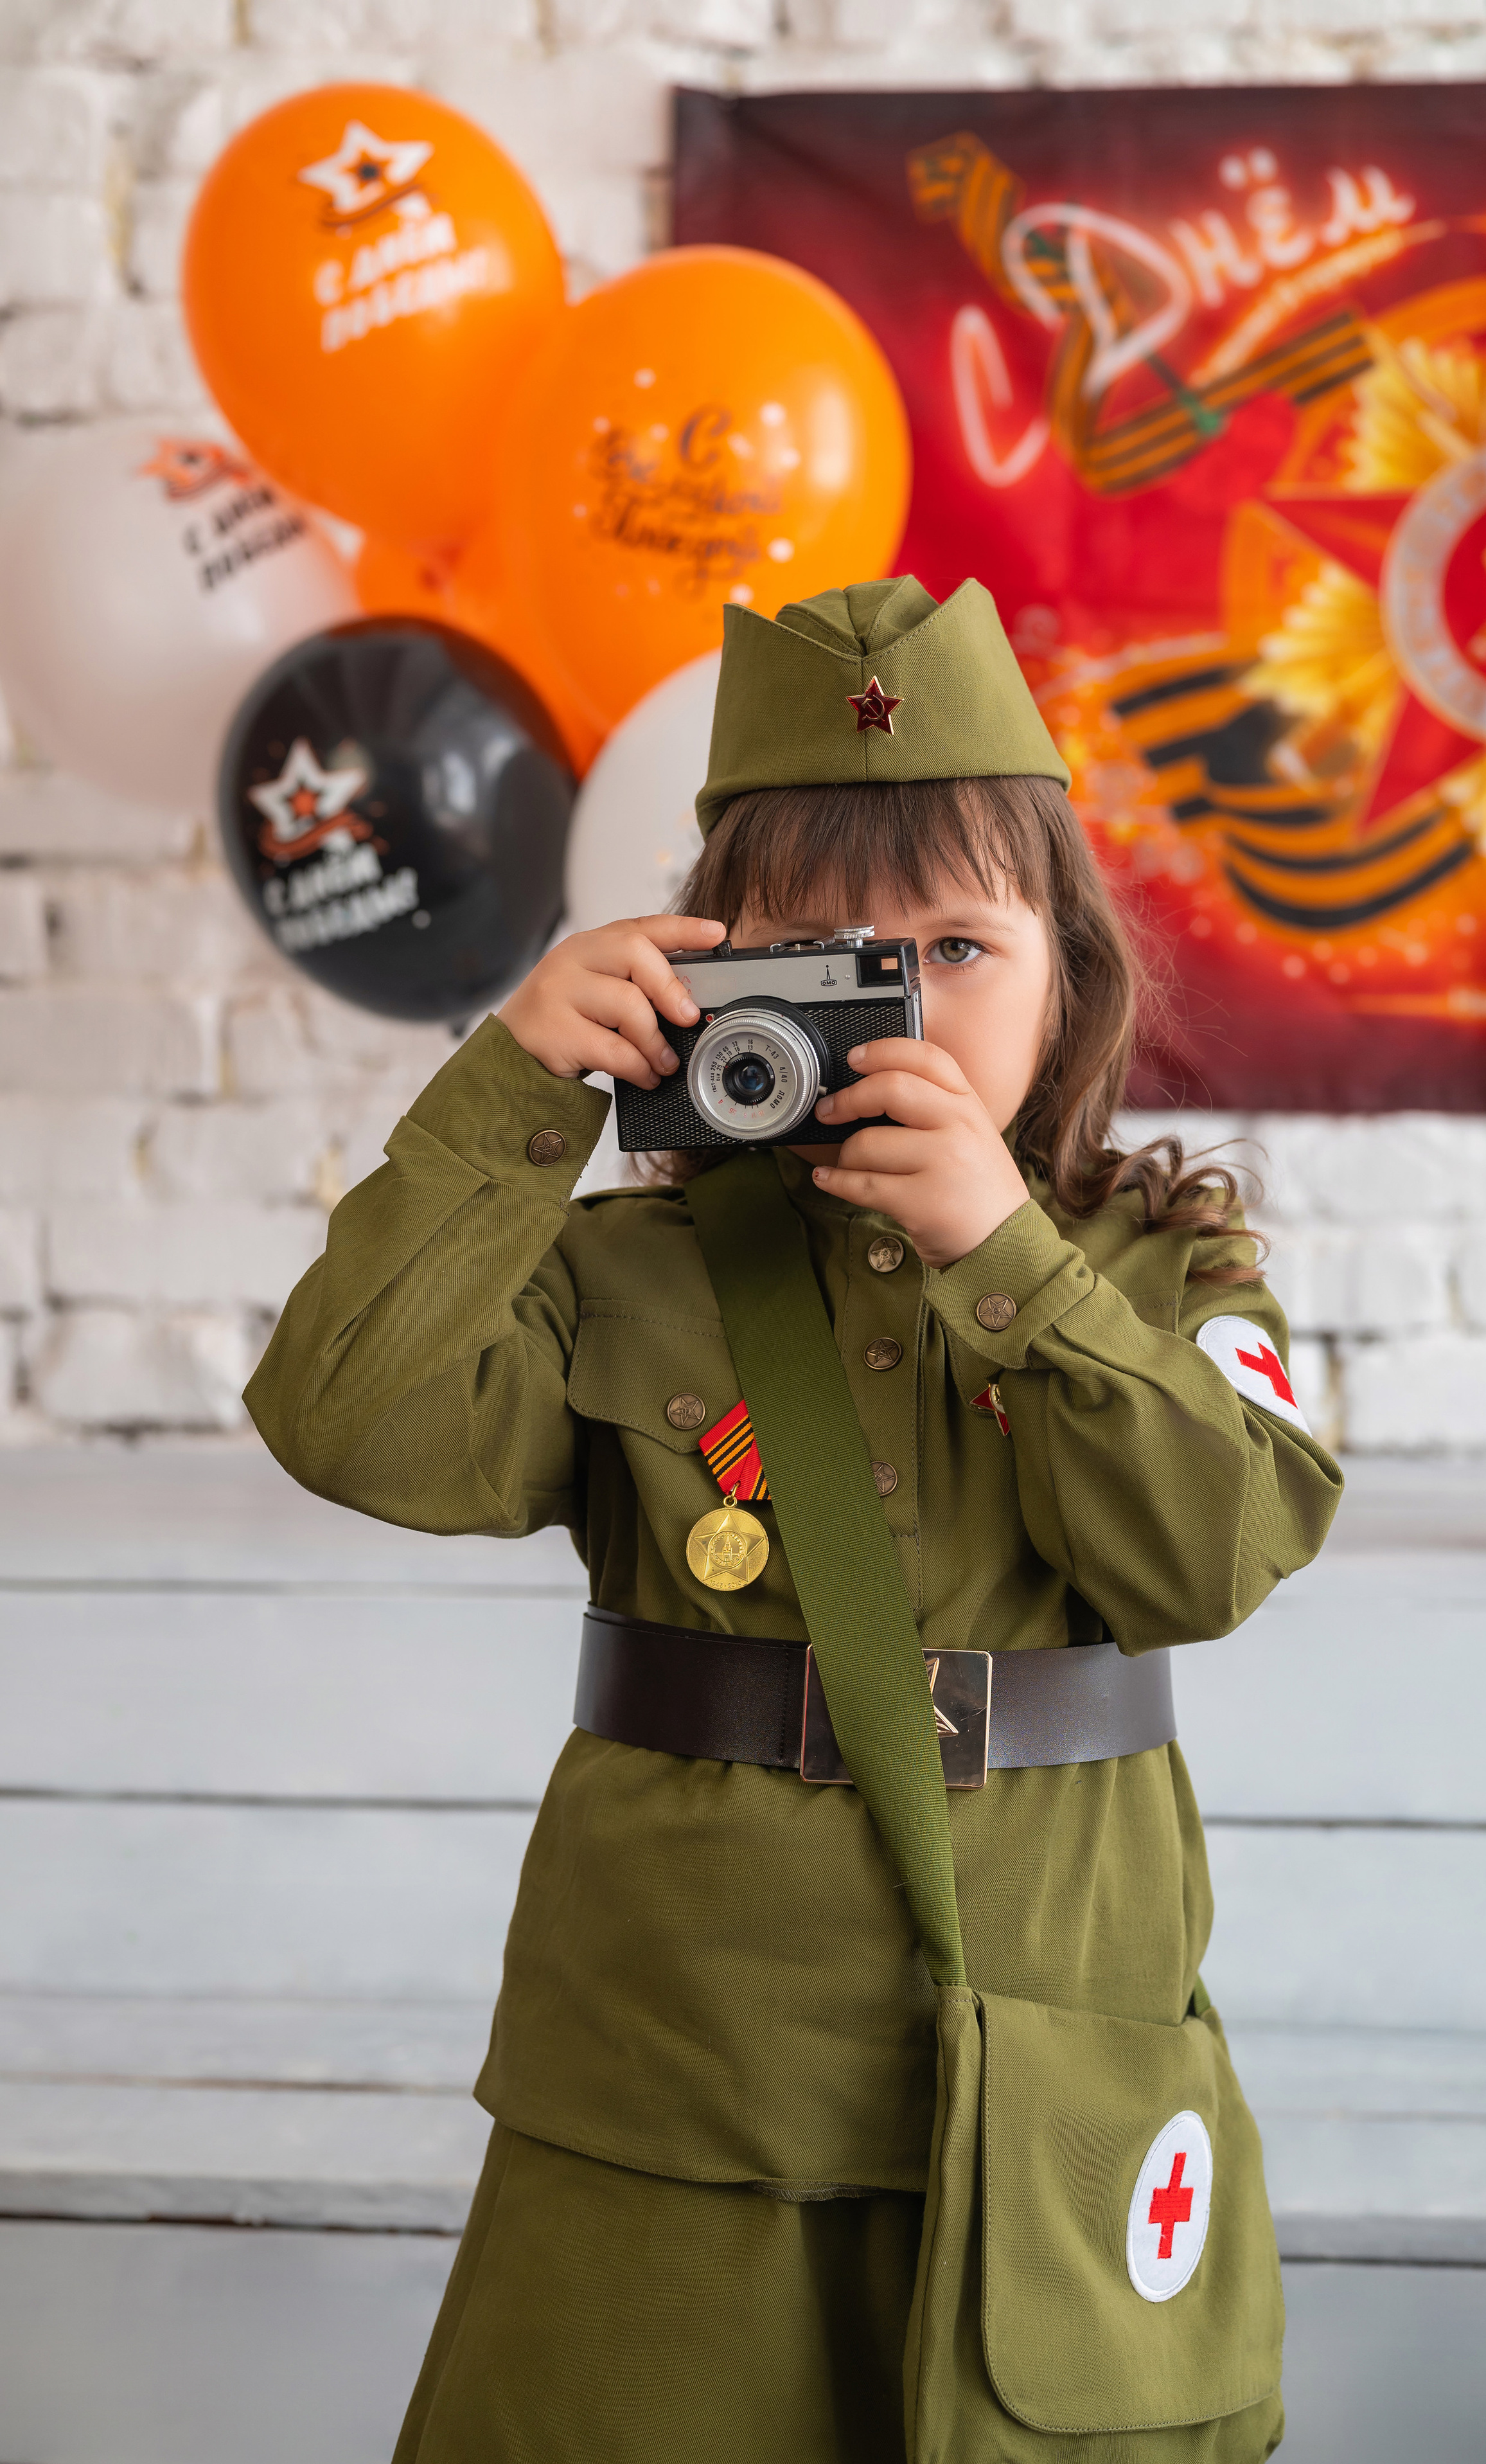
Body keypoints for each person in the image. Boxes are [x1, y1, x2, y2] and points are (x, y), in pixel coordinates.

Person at [247, 575, 1341, 2463]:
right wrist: (517, 1084)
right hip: (674, 2079)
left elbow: (1214, 1548)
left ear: (1071, 966)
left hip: (1044, 2057)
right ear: (707, 966)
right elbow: (351, 1417)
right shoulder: (634, 1267)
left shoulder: (1164, 1262)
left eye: (961, 949)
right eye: (828, 954)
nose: (901, 1003)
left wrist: (1007, 1258)